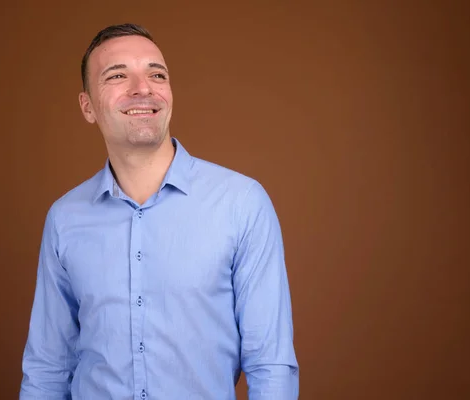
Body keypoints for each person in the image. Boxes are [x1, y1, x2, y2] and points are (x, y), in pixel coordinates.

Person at [19, 23, 299, 400]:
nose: (143, 88)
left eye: (156, 74)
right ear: (87, 107)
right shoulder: (64, 219)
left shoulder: (242, 203)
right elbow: (48, 368)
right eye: (118, 75)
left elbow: (271, 365)